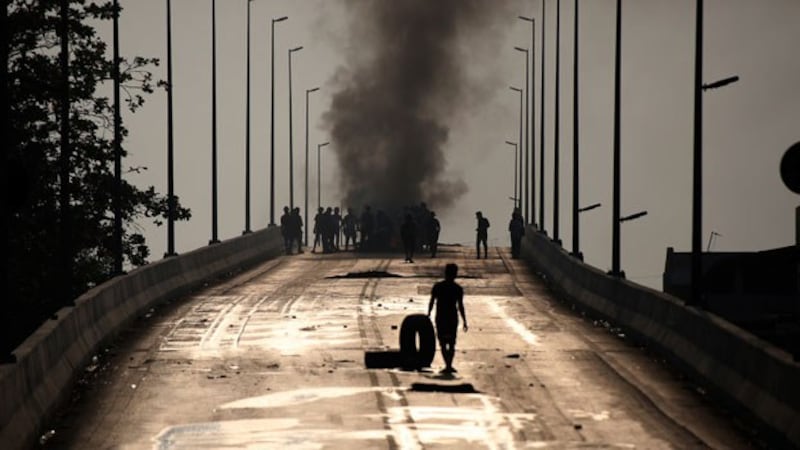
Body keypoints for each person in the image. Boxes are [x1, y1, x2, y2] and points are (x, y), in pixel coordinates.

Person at [428, 263, 467, 374]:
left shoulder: (438, 287)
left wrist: (429, 313)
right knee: (452, 342)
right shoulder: (457, 288)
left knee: (443, 342)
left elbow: (432, 301)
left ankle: (447, 364)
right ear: (455, 274)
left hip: (441, 316)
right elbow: (460, 306)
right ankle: (449, 364)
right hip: (452, 316)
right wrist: (464, 320)